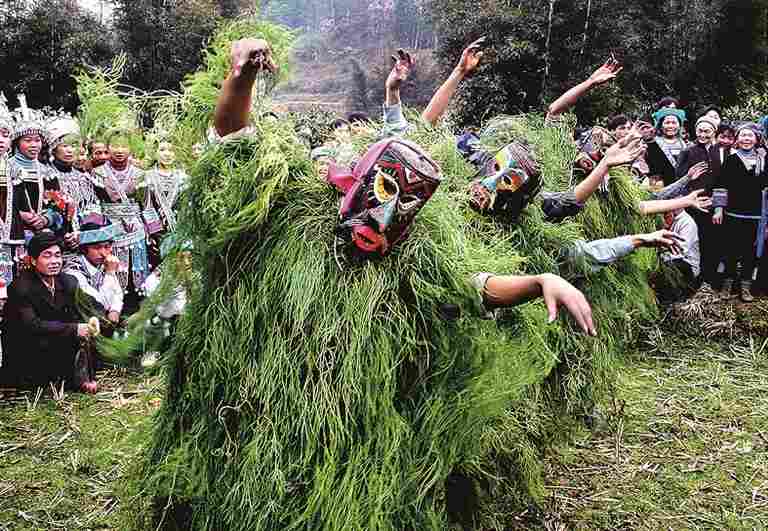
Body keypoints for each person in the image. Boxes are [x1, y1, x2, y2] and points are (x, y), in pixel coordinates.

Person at [0, 232, 100, 392]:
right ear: (33, 260)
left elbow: (90, 306)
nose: (54, 261)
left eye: (57, 255)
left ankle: (82, 376)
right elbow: (32, 325)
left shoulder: (68, 281)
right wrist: (75, 329)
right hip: (29, 352)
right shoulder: (21, 288)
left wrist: (109, 315)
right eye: (47, 256)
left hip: (56, 342)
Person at [712, 123, 768, 301]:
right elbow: (721, 186)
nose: (746, 139)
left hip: (756, 215)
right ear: (737, 139)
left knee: (750, 252)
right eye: (743, 135)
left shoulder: (763, 161)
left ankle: (745, 287)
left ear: (756, 139)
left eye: (750, 136)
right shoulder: (731, 160)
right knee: (730, 249)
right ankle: (727, 285)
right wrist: (719, 209)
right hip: (733, 213)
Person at [92, 128, 149, 302]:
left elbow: (146, 205)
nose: (119, 151)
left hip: (136, 229)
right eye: (115, 146)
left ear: (131, 149)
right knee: (112, 268)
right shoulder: (98, 173)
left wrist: (153, 232)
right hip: (110, 229)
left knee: (137, 270)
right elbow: (95, 204)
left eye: (124, 146)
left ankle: (137, 304)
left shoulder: (140, 174)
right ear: (107, 148)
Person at [674, 116, 719, 289]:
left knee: (711, 241)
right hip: (692, 202)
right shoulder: (688, 151)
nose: (703, 134)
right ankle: (694, 278)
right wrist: (689, 198)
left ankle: (710, 277)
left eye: (707, 131)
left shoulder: (720, 151)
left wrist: (716, 200)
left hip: (713, 203)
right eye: (700, 130)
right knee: (694, 241)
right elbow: (679, 178)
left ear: (714, 132)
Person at [63, 214, 123, 325]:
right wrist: (110, 273)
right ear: (84, 248)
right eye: (96, 247)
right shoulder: (73, 272)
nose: (104, 253)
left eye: (107, 246)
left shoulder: (101, 261)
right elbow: (100, 304)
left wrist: (115, 310)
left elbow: (117, 292)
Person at [139, 139, 187, 268]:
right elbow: (146, 207)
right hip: (156, 234)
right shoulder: (148, 177)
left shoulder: (183, 177)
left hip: (180, 231)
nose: (167, 154)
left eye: (171, 150)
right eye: (162, 150)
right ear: (154, 153)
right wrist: (156, 234)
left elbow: (186, 206)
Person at [644, 107, 688, 187]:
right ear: (660, 125)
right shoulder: (652, 144)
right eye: (667, 123)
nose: (670, 126)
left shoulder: (686, 145)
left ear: (679, 126)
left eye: (674, 123)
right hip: (659, 188)